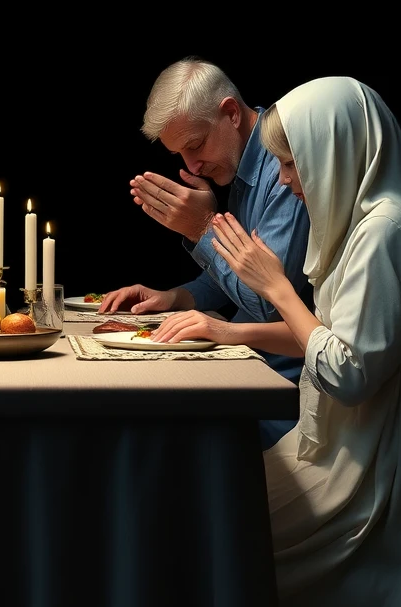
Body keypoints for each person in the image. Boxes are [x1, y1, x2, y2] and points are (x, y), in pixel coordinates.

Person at [149, 76, 401, 607]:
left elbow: (345, 374)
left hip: (366, 478)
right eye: (284, 165)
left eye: (295, 164)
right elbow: (332, 337)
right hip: (341, 445)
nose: (287, 181)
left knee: (213, 521)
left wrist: (273, 289)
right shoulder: (363, 224)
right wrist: (231, 326)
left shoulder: (388, 237)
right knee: (195, 497)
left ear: (336, 150)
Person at [98, 56, 314, 449]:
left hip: (279, 386)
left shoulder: (287, 169)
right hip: (248, 368)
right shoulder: (240, 161)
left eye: (195, 145)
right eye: (180, 154)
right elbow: (235, 276)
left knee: (153, 427)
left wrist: (201, 228)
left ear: (230, 112)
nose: (191, 164)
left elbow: (270, 302)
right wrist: (176, 297)